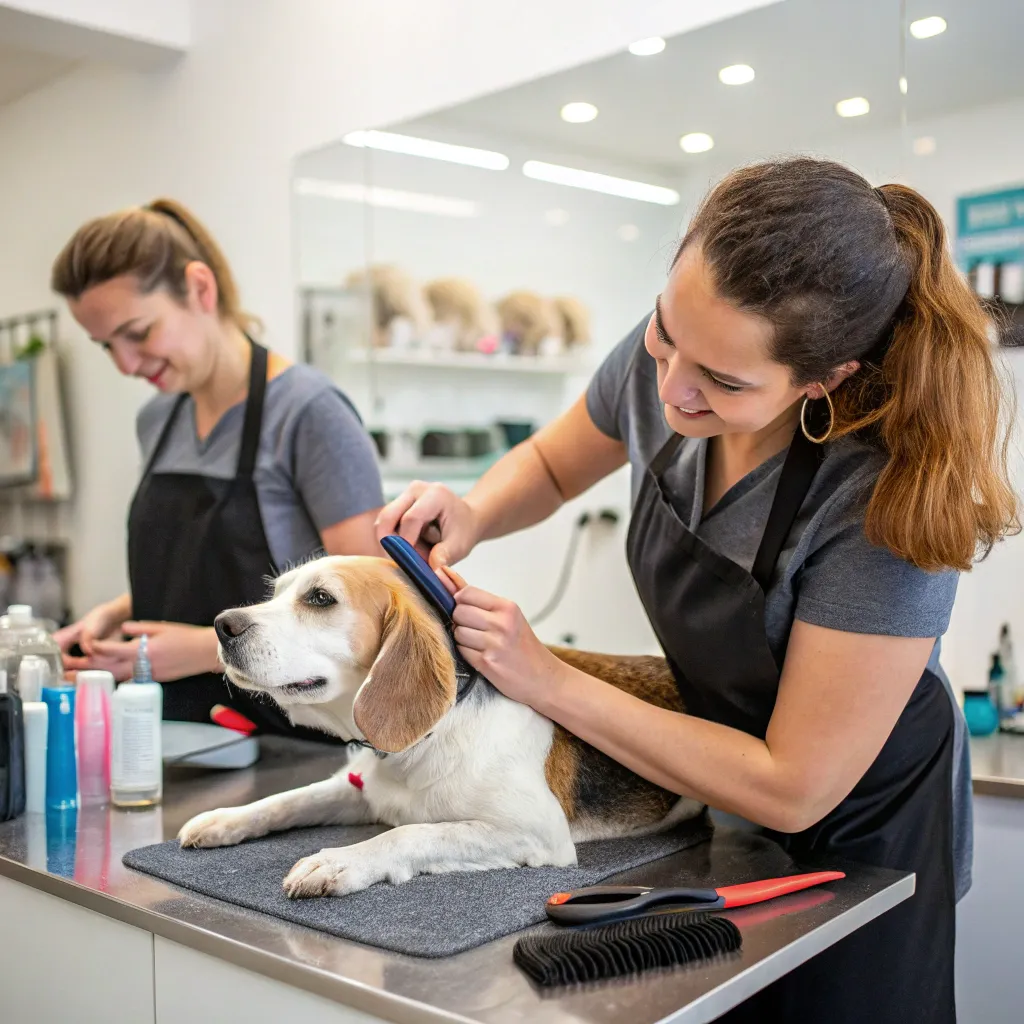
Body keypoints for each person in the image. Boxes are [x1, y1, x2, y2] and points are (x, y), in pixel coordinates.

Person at [377, 157, 1018, 1022]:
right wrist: (473, 510)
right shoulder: (677, 357)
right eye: (664, 332)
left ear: (824, 380)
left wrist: (547, 678)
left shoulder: (877, 506)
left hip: (864, 822)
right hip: (724, 787)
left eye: (723, 383)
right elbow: (552, 463)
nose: (674, 386)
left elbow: (795, 783)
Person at [51, 198, 384, 736]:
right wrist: (116, 612)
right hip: (178, 735)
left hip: (294, 742)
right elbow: (199, 566)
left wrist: (209, 649)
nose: (126, 364)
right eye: (106, 345)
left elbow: (377, 612)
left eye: (138, 333)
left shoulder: (308, 412)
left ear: (200, 289)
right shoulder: (158, 419)